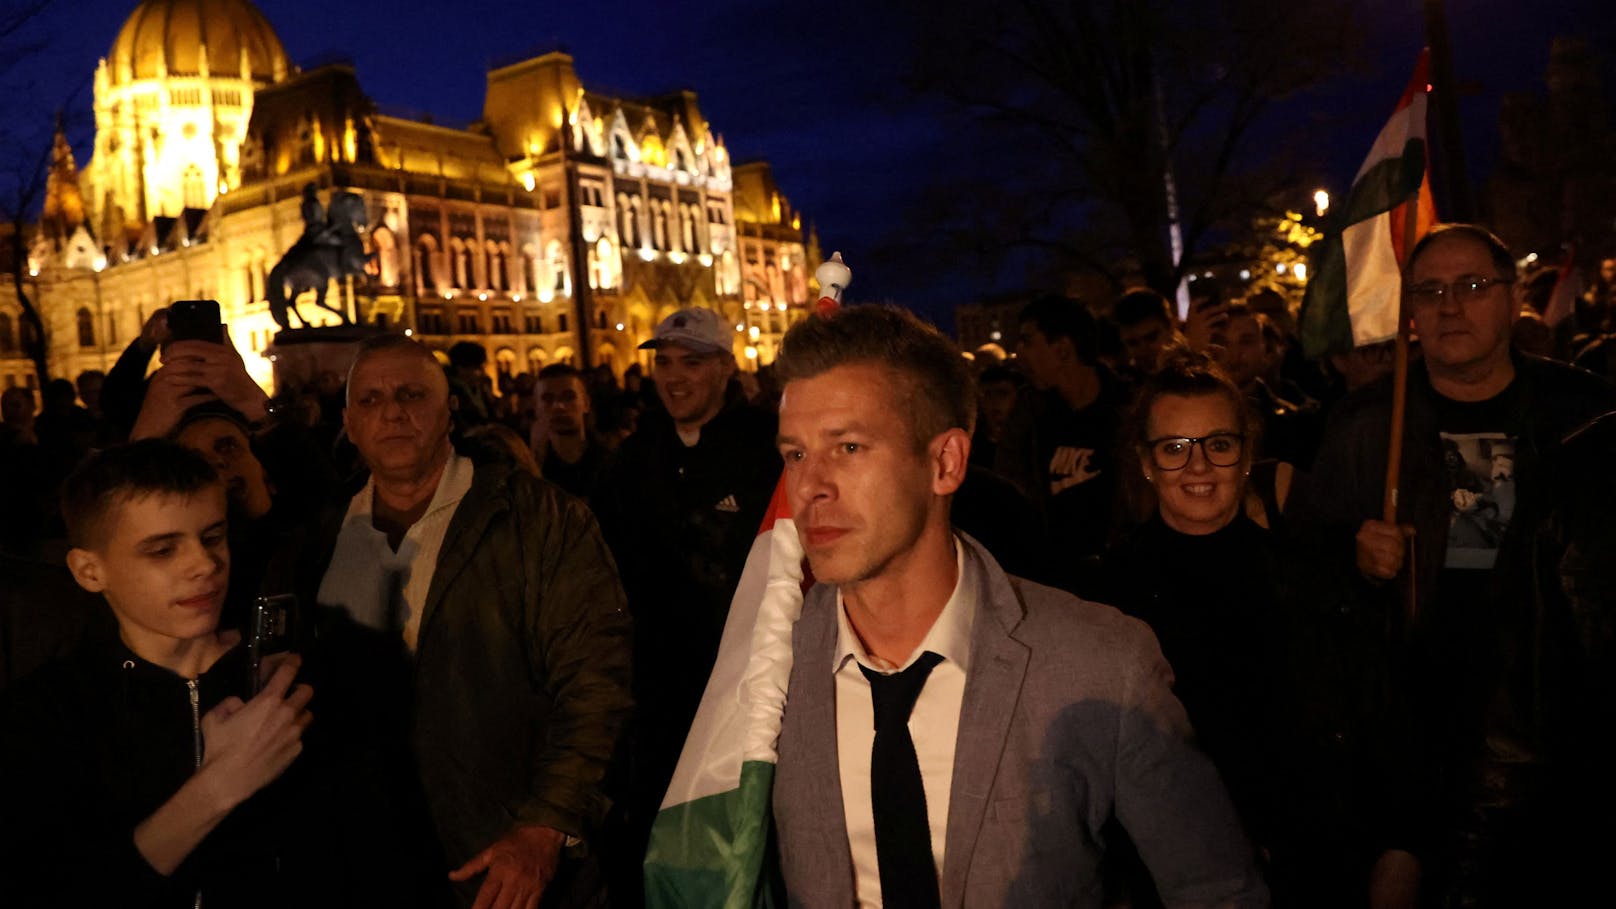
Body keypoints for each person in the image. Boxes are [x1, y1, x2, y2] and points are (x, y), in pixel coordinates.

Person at [769, 304, 1266, 908]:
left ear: (946, 462)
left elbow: (1217, 889)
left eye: (847, 446)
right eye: (795, 453)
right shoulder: (768, 665)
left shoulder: (1100, 661)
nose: (809, 485)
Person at [1288, 223, 1616, 906]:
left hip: (1560, 741)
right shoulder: (1364, 425)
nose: (1448, 306)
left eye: (1471, 286)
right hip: (1416, 741)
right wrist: (1352, 553)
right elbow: (1302, 569)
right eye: (1429, 290)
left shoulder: (1581, 414)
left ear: (1513, 295)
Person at [314, 334, 632, 909]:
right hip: (364, 857)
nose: (391, 411)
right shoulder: (318, 538)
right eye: (370, 400)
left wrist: (545, 825)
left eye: (412, 394)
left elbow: (595, 683)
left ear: (449, 411)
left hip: (504, 859)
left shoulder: (538, 517)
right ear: (349, 423)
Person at [0, 441, 362, 906]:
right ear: (90, 570)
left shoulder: (290, 686)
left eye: (212, 537)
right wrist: (219, 786)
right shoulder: (46, 713)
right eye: (162, 550)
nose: (205, 565)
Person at [590, 307, 781, 903]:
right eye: (663, 362)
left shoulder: (766, 449)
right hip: (659, 690)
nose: (673, 377)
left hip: (749, 685)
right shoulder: (633, 458)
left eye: (691, 362)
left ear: (726, 367)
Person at [995, 295, 1132, 590]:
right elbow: (1010, 487)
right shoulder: (1031, 416)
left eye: (1028, 340)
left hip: (1123, 576)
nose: (1019, 353)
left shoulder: (1128, 409)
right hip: (1057, 582)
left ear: (1064, 350)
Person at [528, 363, 609, 500]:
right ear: (536, 407)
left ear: (586, 403)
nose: (559, 406)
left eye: (568, 397)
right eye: (548, 399)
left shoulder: (611, 463)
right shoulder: (530, 471)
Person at [1112, 286, 1184, 376]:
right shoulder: (1125, 382)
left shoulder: (1199, 372)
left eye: (1151, 338)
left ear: (1170, 328)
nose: (1144, 351)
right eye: (1132, 343)